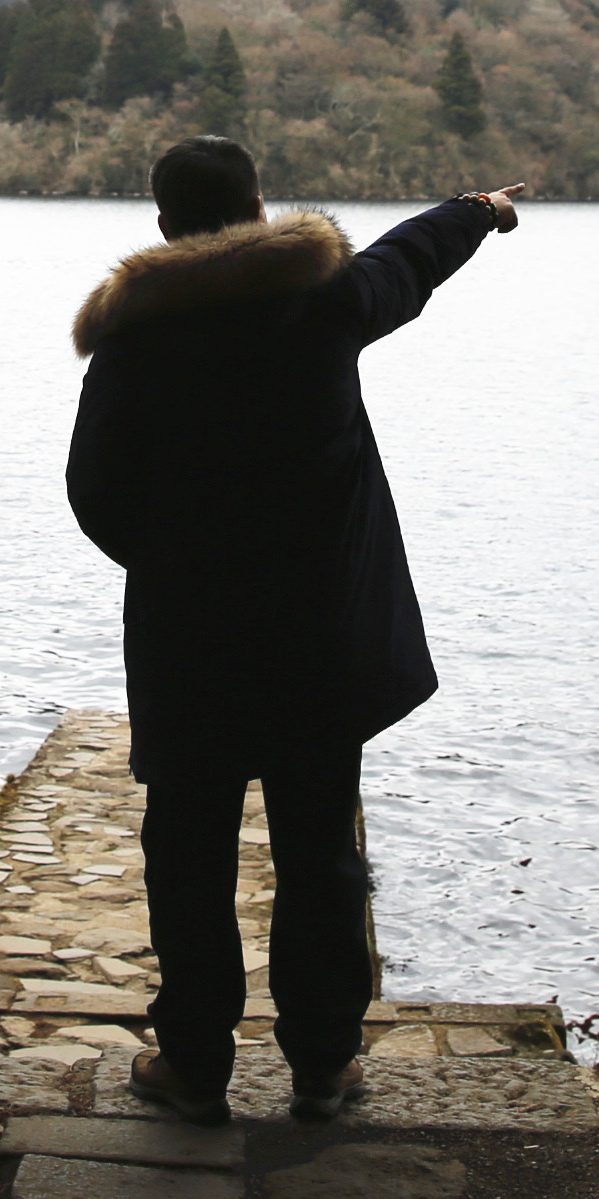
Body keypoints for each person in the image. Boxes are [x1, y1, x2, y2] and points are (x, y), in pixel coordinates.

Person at [65, 136, 524, 1123]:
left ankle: (193, 1063)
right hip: (319, 639)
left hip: (191, 646)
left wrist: (176, 566)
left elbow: (94, 491)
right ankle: (323, 1061)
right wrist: (477, 208)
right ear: (260, 206)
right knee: (320, 848)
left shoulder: (135, 338)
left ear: (163, 224)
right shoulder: (321, 306)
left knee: (187, 849)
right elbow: (406, 259)